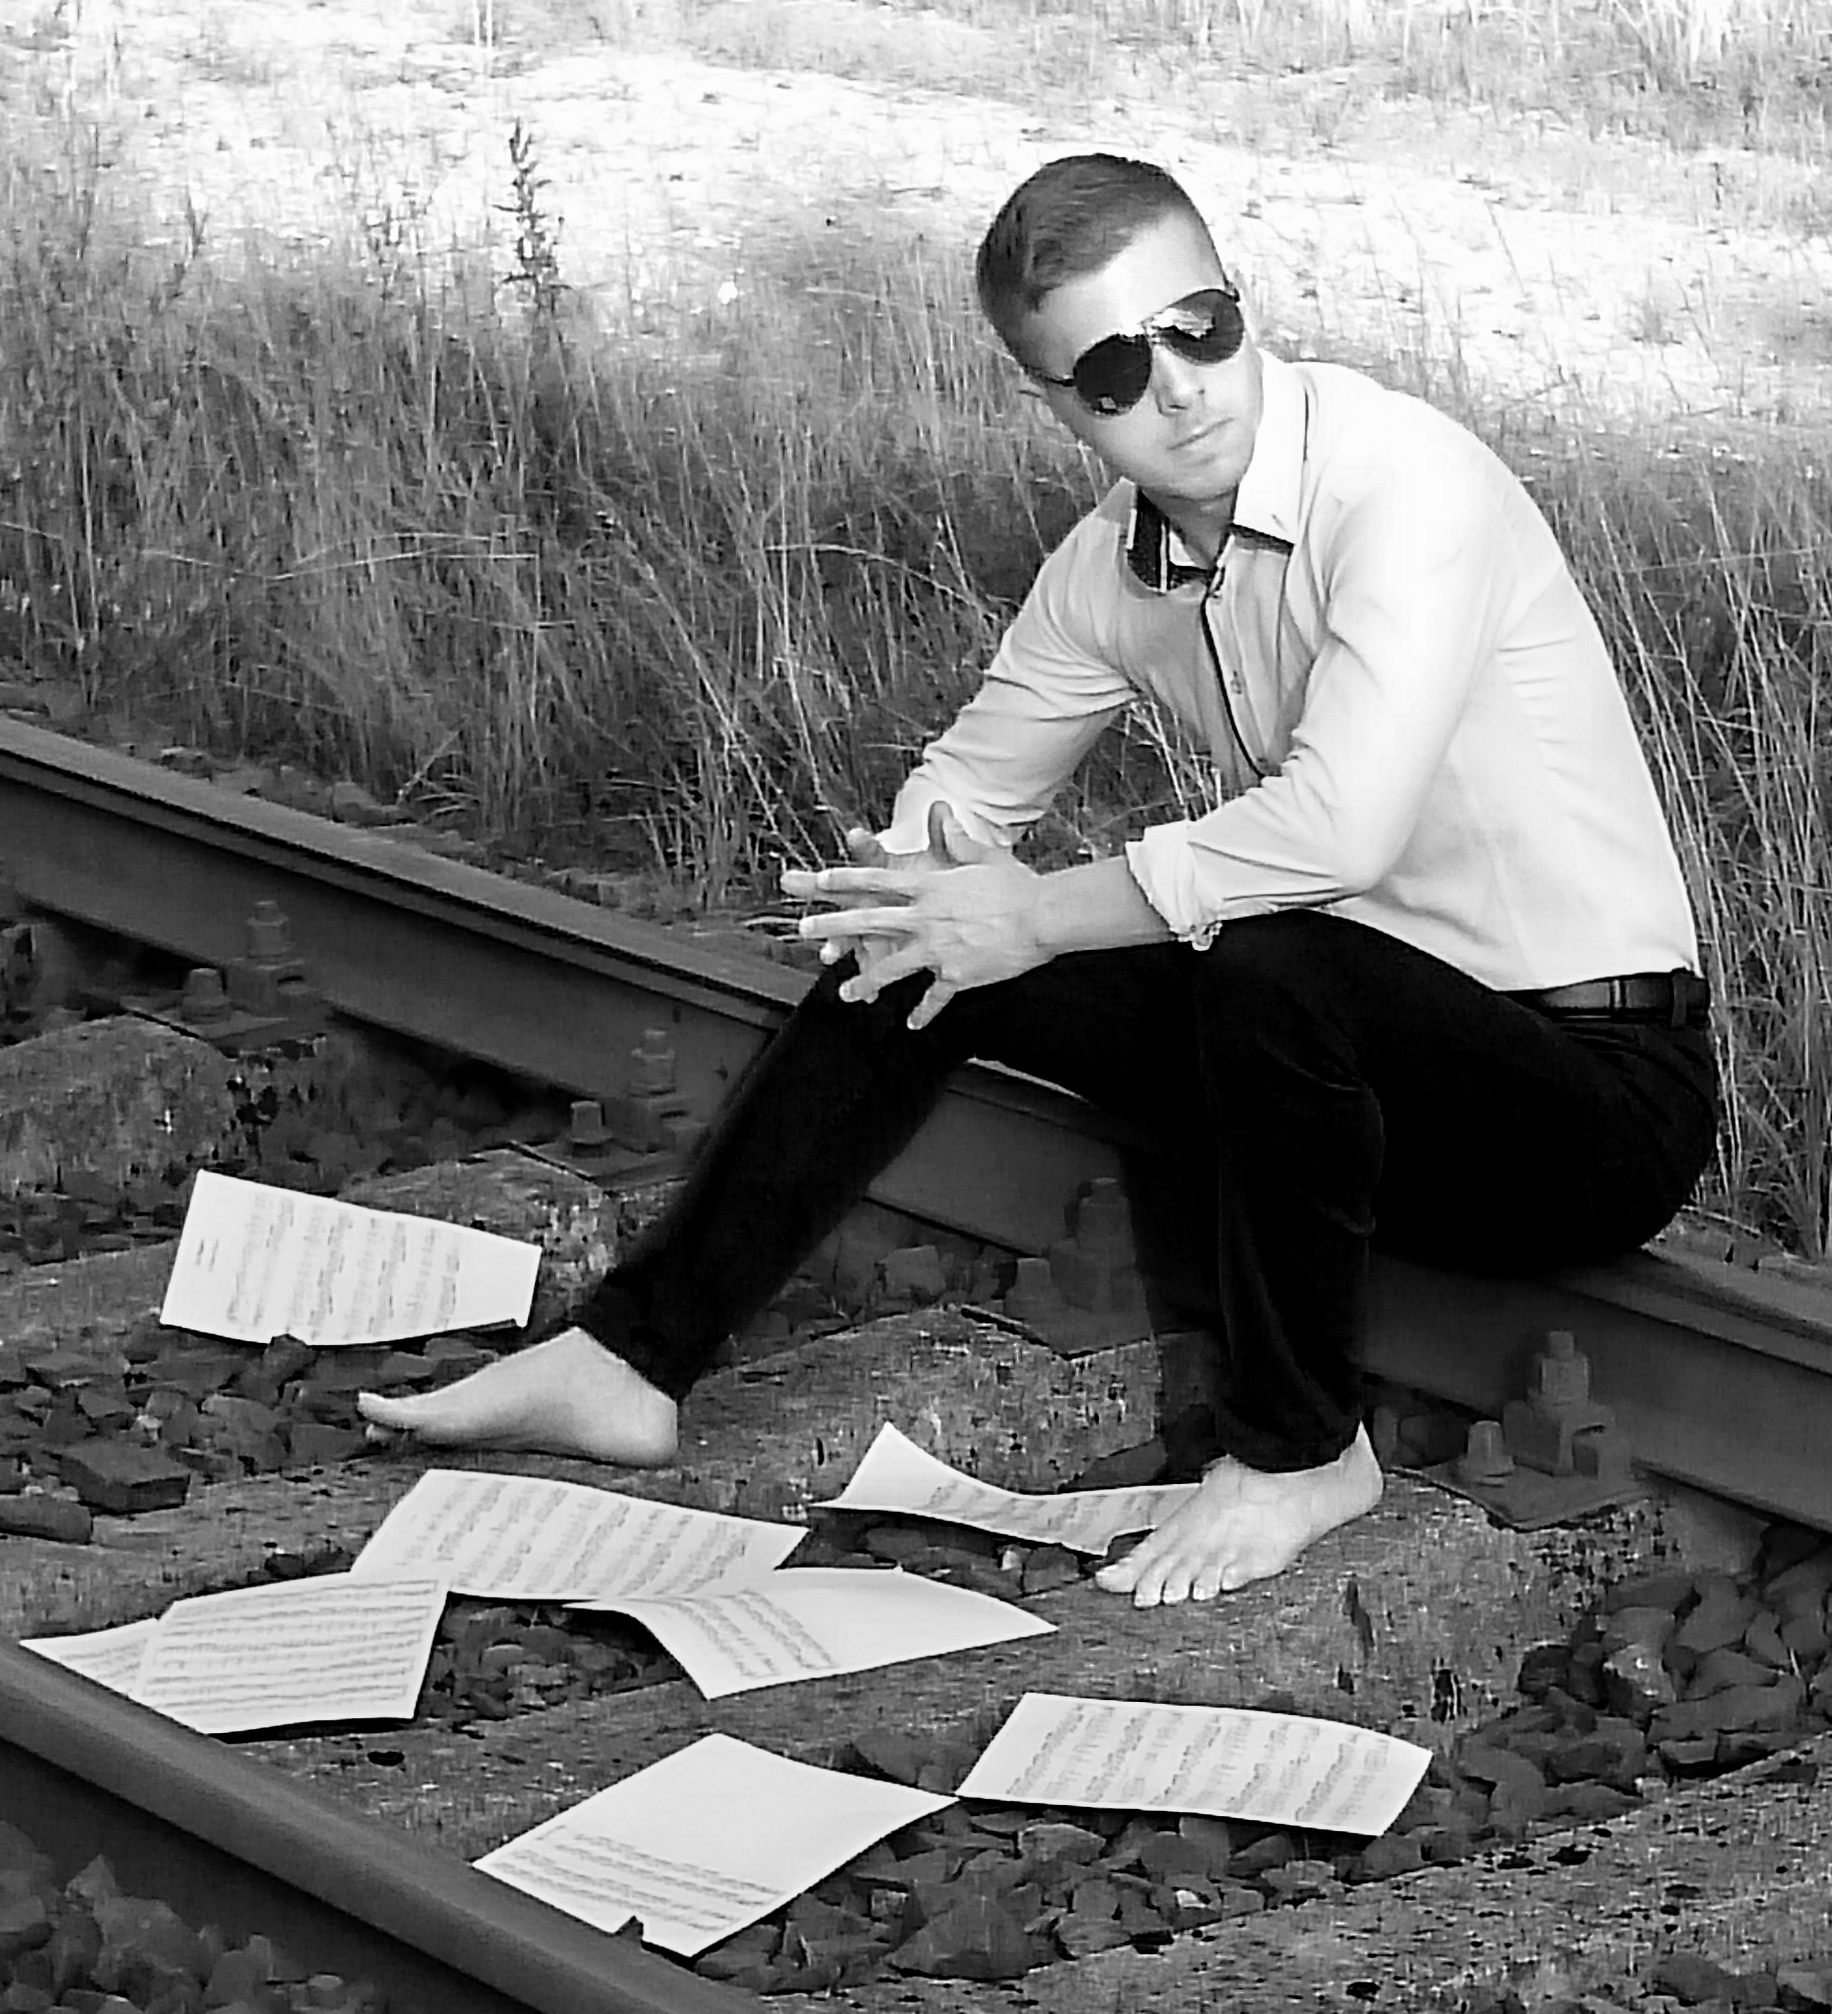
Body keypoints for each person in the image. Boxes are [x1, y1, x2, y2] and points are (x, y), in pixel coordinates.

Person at [357, 154, 1718, 1606]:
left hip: (1584, 1105)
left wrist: (1033, 913)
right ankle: (634, 1356)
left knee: (1265, 953)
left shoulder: (1406, 486)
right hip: (1355, 1092)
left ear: (1240, 304)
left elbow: (1337, 834)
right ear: (1059, 401)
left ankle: (1302, 1451)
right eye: (1118, 369)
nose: (1180, 388)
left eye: (1200, 327)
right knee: (927, 940)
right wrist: (923, 882)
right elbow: (972, 788)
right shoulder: (1111, 571)